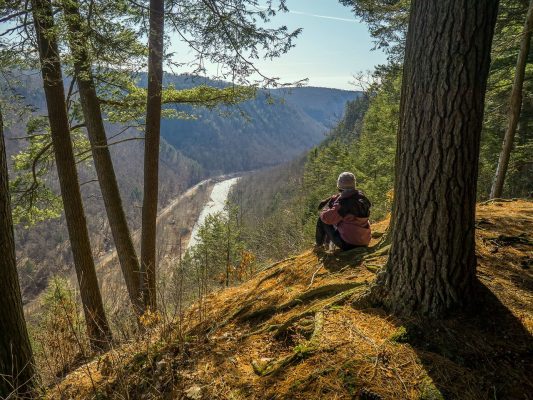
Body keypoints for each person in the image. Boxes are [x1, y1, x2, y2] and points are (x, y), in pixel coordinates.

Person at [315, 172, 371, 251]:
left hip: (349, 244)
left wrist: (325, 210)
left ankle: (319, 246)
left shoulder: (342, 204)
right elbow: (347, 196)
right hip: (365, 241)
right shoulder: (361, 197)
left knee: (322, 219)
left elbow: (327, 218)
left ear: (339, 185)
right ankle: (326, 245)